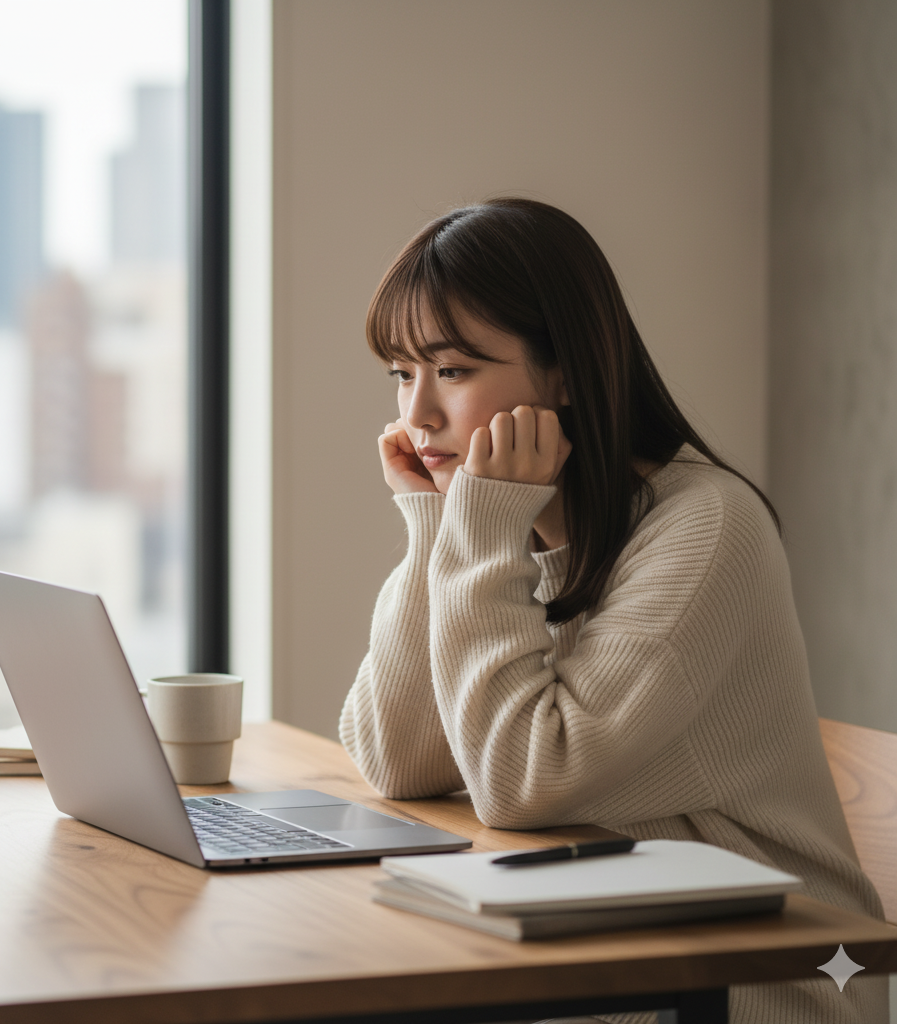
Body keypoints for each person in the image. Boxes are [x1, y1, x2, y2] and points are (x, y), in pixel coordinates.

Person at [339, 198, 887, 1024]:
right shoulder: (501, 524)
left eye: (452, 371)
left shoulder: (705, 527)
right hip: (610, 954)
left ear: (564, 371)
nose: (415, 415)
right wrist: (435, 530)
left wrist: (478, 528)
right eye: (400, 374)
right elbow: (399, 759)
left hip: (754, 986)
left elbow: (524, 783)